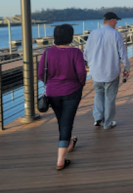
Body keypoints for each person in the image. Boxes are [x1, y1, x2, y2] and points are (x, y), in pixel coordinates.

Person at [38, 24, 87, 171]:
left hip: (52, 92)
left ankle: (70, 143)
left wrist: (52, 84)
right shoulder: (75, 52)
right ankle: (60, 159)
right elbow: (82, 73)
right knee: (66, 122)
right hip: (72, 91)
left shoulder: (47, 53)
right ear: (70, 36)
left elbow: (41, 74)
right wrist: (80, 85)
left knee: (62, 120)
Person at [84, 12, 130, 130]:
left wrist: (91, 64)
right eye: (116, 21)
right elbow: (122, 54)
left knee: (98, 93)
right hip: (111, 71)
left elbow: (86, 53)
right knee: (110, 97)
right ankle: (108, 123)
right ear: (112, 20)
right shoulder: (115, 34)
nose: (117, 23)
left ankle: (98, 118)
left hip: (96, 72)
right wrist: (126, 68)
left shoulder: (93, 33)